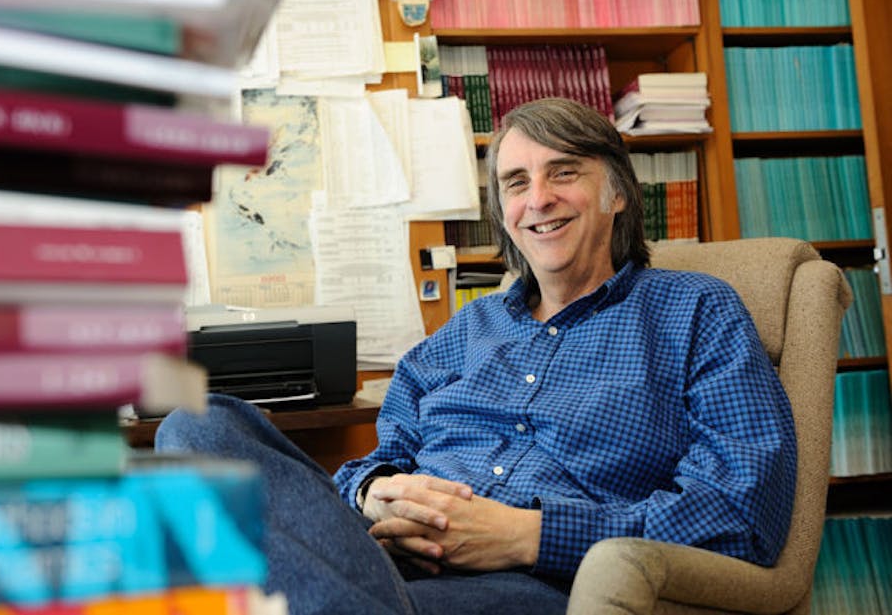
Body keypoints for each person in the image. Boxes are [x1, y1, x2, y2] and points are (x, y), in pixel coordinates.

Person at [156, 97, 797, 615]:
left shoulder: (695, 311)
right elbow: (382, 457)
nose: (537, 199)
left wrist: (523, 537)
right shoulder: (469, 328)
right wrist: (375, 494)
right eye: (516, 182)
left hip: (526, 584)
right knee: (197, 424)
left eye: (564, 172)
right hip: (379, 558)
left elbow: (741, 512)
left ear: (619, 193)